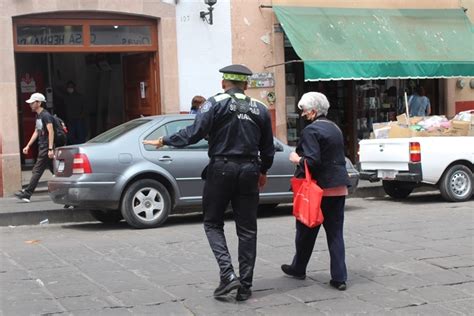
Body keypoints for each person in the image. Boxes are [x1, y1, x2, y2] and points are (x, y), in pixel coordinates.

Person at [143, 64, 275, 301]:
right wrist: (263, 170)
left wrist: (164, 140)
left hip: (221, 168)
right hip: (250, 170)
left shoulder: (214, 103)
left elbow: (194, 132)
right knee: (247, 229)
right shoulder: (261, 108)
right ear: (246, 85)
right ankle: (245, 286)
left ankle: (228, 275)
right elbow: (267, 148)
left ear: (224, 83)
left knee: (213, 223)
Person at [281, 92, 350, 291]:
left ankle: (298, 267)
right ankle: (339, 278)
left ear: (312, 111)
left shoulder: (311, 131)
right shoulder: (335, 128)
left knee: (304, 231)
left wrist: (296, 159)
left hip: (317, 190)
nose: (302, 114)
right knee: (335, 234)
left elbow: (312, 160)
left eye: (304, 110)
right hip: (338, 188)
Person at [14, 93, 55, 203]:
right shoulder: (38, 115)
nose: (30, 104)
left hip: (46, 147)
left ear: (39, 103)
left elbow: (51, 131)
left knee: (37, 170)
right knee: (56, 171)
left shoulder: (46, 115)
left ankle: (27, 194)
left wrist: (50, 149)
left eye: (33, 102)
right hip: (43, 146)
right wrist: (28, 145)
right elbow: (37, 131)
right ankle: (68, 191)